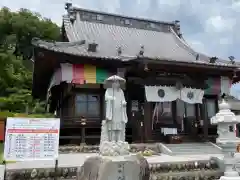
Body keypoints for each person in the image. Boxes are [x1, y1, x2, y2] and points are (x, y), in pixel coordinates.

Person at [105, 77, 127, 142]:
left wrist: (124, 103)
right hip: (112, 110)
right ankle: (112, 139)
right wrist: (110, 98)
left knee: (119, 124)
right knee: (112, 125)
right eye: (115, 82)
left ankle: (119, 139)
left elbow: (123, 99)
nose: (116, 84)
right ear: (112, 83)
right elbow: (106, 98)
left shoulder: (121, 91)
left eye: (117, 82)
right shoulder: (108, 90)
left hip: (119, 110)